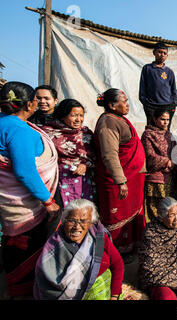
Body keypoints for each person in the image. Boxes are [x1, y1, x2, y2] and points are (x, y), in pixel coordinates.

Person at [0, 82, 60, 298]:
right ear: (29, 104)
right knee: (26, 248)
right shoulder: (19, 130)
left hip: (7, 203)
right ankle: (21, 290)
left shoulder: (3, 124)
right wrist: (48, 201)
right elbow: (24, 171)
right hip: (24, 205)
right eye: (36, 99)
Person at [34, 199, 124, 300]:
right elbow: (46, 285)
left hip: (107, 291)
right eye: (72, 220)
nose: (77, 227)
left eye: (83, 221)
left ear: (91, 222)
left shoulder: (98, 236)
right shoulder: (54, 246)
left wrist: (114, 296)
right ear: (64, 221)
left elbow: (117, 263)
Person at [94, 88, 146, 259]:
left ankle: (130, 250)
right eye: (123, 102)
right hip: (119, 182)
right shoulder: (108, 122)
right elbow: (109, 154)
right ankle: (115, 256)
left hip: (131, 179)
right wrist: (120, 181)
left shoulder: (118, 119)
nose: (127, 105)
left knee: (131, 218)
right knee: (116, 218)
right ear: (111, 105)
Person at [41, 99, 96, 208]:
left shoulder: (86, 133)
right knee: (64, 212)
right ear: (63, 115)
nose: (78, 119)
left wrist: (85, 165)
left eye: (81, 115)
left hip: (84, 181)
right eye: (74, 115)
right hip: (57, 180)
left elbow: (95, 155)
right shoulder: (47, 132)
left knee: (83, 211)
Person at [141, 109, 176, 223]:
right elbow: (149, 155)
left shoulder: (169, 135)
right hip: (154, 180)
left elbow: (175, 153)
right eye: (162, 119)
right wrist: (167, 162)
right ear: (155, 119)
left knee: (168, 210)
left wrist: (174, 162)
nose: (166, 122)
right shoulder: (148, 134)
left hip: (168, 179)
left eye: (168, 120)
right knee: (155, 211)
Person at [139, 42, 177, 126]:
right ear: (154, 52)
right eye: (159, 52)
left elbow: (173, 90)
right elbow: (142, 86)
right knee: (151, 129)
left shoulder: (169, 72)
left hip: (167, 106)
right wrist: (145, 102)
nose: (162, 55)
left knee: (165, 131)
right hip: (151, 106)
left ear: (167, 55)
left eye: (165, 53)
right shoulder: (147, 68)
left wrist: (173, 104)